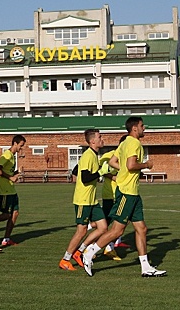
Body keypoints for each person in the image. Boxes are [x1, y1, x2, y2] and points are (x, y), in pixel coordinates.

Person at [82, 117, 167, 277]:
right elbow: (131, 165)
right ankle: (89, 253)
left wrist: (124, 173)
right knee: (116, 230)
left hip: (133, 192)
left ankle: (145, 267)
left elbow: (114, 161)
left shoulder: (124, 143)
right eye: (142, 126)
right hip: (127, 192)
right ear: (134, 128)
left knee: (141, 229)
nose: (144, 128)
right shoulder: (134, 143)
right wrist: (146, 165)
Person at [58, 129, 108, 271]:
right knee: (81, 231)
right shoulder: (88, 156)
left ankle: (79, 252)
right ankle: (65, 259)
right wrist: (101, 172)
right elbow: (85, 178)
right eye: (100, 137)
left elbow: (75, 171)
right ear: (92, 141)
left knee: (103, 227)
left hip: (92, 200)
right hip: (83, 200)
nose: (102, 139)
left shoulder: (93, 155)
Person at [0, 135, 26, 247]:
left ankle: (6, 239)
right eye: (21, 146)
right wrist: (10, 177)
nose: (21, 148)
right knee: (6, 215)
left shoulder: (12, 156)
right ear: (15, 144)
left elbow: (9, 173)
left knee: (15, 213)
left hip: (11, 189)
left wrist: (17, 173)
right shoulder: (7, 155)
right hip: (5, 190)